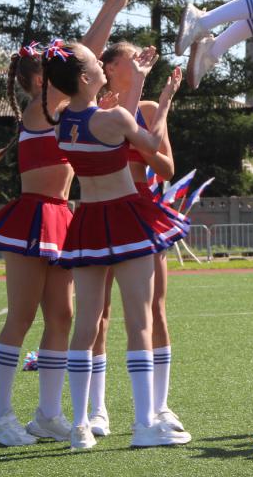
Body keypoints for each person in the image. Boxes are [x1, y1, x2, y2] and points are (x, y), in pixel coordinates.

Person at [0, 0, 137, 446]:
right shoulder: (42, 109)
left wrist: (113, 5)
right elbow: (87, 52)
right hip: (32, 217)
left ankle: (46, 414)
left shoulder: (58, 109)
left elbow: (81, 58)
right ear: (42, 82)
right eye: (56, 71)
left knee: (61, 318)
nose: (69, 74)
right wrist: (111, 5)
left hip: (61, 216)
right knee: (20, 317)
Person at [43, 41, 191, 449]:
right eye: (96, 63)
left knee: (87, 324)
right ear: (88, 78)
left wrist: (138, 87)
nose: (102, 65)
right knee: (139, 321)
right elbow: (154, 145)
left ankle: (80, 425)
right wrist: (163, 102)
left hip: (88, 220)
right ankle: (144, 425)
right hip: (125, 218)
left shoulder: (60, 123)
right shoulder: (117, 118)